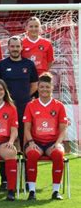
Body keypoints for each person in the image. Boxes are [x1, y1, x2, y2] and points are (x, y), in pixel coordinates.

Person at [0, 36, 38, 189]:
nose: (15, 49)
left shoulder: (29, 65)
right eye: (12, 46)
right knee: (5, 144)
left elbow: (34, 85)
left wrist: (24, 98)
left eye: (17, 46)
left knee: (25, 145)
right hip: (5, 112)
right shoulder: (1, 65)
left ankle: (27, 180)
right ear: (8, 48)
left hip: (24, 110)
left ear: (21, 47)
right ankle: (5, 180)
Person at [23, 72, 67, 200]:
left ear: (52, 88)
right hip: (35, 142)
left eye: (47, 87)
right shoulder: (31, 105)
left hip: (52, 142)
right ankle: (32, 191)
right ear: (38, 87)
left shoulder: (59, 106)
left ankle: (55, 191)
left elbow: (63, 129)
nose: (44, 90)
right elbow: (27, 128)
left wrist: (58, 143)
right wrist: (31, 142)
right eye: (42, 87)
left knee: (58, 154)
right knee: (31, 154)